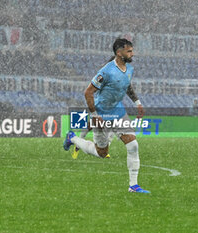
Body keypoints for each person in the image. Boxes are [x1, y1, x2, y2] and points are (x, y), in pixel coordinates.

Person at [64, 38, 150, 193]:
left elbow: (127, 85)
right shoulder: (106, 71)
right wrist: (94, 114)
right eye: (129, 51)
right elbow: (88, 92)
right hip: (102, 114)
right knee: (102, 153)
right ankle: (72, 138)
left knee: (133, 145)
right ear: (119, 52)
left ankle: (133, 185)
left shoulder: (129, 69)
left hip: (118, 112)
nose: (132, 54)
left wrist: (137, 103)